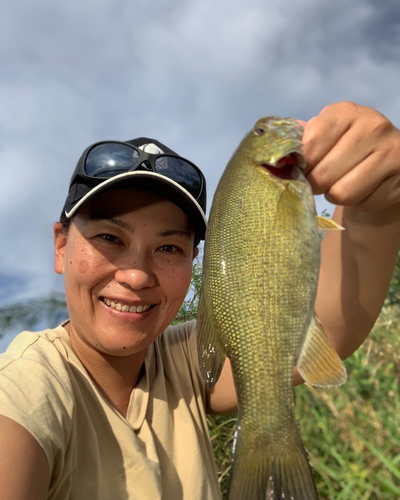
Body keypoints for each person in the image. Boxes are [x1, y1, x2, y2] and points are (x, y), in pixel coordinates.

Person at [0, 101, 400, 500]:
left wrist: (376, 206)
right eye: (109, 238)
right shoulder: (25, 386)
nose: (137, 274)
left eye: (169, 248)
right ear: (61, 245)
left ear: (193, 262)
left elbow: (329, 325)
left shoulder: (180, 363)